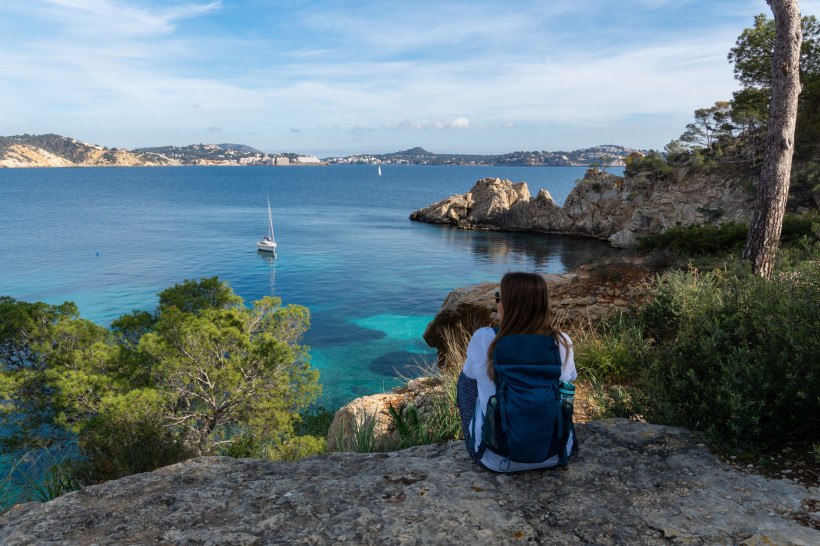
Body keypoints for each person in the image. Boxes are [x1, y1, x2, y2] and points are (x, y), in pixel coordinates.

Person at [457, 271, 577, 472]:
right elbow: (571, 379)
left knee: (465, 381)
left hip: (495, 459)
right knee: (561, 390)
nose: (497, 303)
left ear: (507, 305)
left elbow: (468, 379)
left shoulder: (484, 339)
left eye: (499, 298)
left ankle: (483, 439)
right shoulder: (562, 343)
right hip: (555, 455)